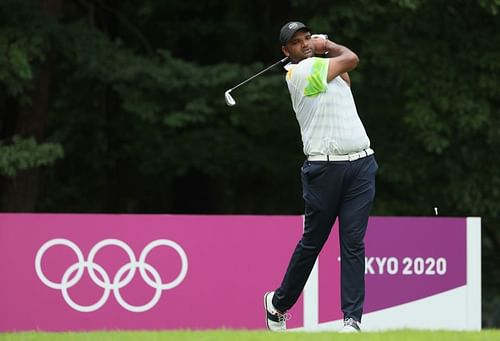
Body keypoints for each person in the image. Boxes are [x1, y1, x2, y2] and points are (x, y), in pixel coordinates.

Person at [264, 21, 378, 333]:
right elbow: (351, 58)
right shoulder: (300, 73)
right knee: (313, 242)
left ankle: (351, 320)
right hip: (324, 170)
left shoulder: (326, 68)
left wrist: (325, 48)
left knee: (353, 243)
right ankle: (278, 304)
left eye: (306, 38)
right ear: (286, 52)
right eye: (297, 42)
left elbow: (345, 74)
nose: (304, 44)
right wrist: (325, 44)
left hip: (361, 165)